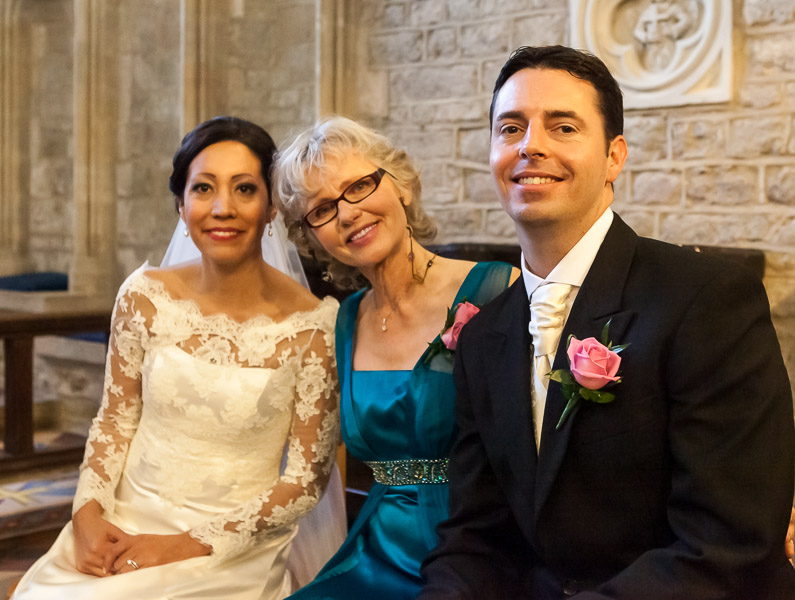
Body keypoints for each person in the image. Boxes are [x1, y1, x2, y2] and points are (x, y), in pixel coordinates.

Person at [418, 45, 795, 599]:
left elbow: (726, 541)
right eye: (511, 128)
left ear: (615, 156)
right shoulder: (483, 337)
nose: (531, 146)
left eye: (564, 126)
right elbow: (476, 536)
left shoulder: (707, 298)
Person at [12, 116, 341, 600]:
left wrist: (181, 546)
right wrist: (86, 514)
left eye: (245, 189)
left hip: (228, 546)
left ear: (271, 207)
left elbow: (304, 482)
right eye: (203, 188)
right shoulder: (143, 297)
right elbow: (114, 421)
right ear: (181, 206)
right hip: (123, 518)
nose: (222, 208)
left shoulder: (312, 326)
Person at [272, 116, 519, 600]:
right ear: (314, 238)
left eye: (359, 186)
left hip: (478, 546)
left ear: (402, 186)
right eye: (322, 209)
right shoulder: (343, 322)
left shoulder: (498, 291)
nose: (347, 214)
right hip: (377, 549)